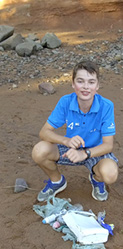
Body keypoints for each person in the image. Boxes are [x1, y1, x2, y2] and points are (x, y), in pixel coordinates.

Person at [32, 60, 118, 202]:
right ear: (73, 84)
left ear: (97, 86)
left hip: (94, 151)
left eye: (91, 82)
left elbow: (108, 145)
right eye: (80, 81)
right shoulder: (66, 101)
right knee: (39, 150)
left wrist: (84, 154)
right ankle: (57, 181)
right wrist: (66, 140)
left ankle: (96, 179)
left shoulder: (106, 106)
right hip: (70, 148)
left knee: (110, 174)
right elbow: (44, 132)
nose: (85, 87)